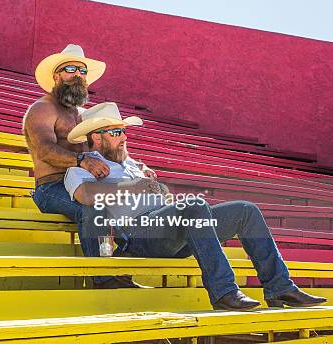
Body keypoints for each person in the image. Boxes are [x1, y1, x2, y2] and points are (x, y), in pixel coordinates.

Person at [63, 101, 328, 310]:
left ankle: (280, 287)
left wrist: (159, 192)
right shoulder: (80, 169)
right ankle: (224, 291)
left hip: (170, 230)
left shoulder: (133, 164)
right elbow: (87, 196)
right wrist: (139, 187)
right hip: (138, 235)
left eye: (124, 131)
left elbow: (161, 199)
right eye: (116, 132)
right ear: (95, 137)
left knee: (245, 211)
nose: (124, 137)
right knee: (193, 205)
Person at [23, 44, 151, 289]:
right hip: (52, 188)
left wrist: (137, 166)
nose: (77, 74)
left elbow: (110, 146)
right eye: (70, 69)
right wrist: (82, 160)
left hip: (87, 181)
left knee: (138, 203)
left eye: (82, 70)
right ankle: (102, 276)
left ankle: (121, 269)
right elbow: (45, 150)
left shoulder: (85, 115)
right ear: (56, 76)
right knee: (92, 205)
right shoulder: (42, 109)